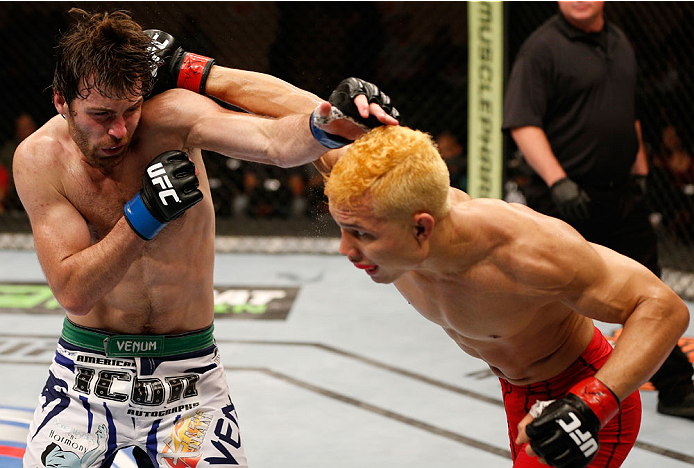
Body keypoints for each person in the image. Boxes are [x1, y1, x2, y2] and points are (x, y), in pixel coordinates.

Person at [14, 9, 398, 467]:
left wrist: (322, 126)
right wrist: (144, 216)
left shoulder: (171, 119)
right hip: (86, 376)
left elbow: (271, 140)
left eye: (130, 110)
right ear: (62, 101)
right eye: (100, 115)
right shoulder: (40, 159)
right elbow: (74, 290)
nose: (119, 130)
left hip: (189, 379)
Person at [324, 125, 690, 468]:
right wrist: (321, 119)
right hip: (520, 393)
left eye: (360, 234)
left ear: (421, 227)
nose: (346, 249)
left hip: (583, 396)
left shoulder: (525, 249)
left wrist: (591, 403)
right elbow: (297, 117)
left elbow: (665, 308)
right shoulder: (383, 204)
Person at [502, 1, 694, 419]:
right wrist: (559, 181)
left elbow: (627, 112)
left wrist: (640, 167)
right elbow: (523, 122)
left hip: (621, 193)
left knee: (652, 293)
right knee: (559, 300)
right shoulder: (542, 49)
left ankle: (676, 388)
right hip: (564, 200)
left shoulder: (620, 41)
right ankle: (552, 395)